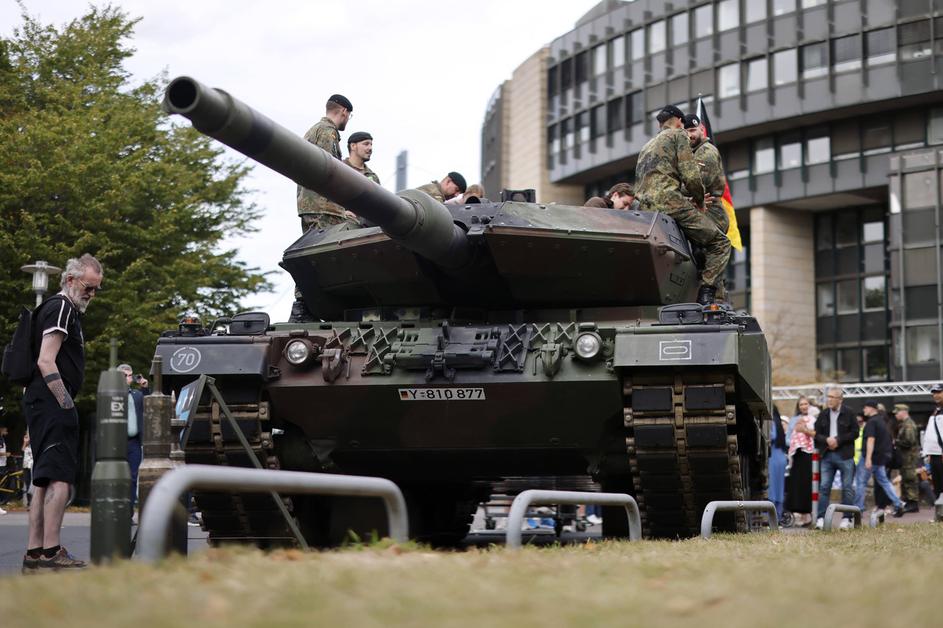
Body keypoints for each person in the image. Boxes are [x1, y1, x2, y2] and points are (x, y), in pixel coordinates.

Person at [22, 253, 103, 572]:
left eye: (96, 289)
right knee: (59, 479)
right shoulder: (62, 308)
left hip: (39, 402)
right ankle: (52, 549)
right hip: (53, 401)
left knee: (41, 478)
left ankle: (35, 551)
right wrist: (66, 403)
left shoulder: (53, 307)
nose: (91, 294)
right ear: (70, 280)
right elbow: (45, 360)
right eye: (88, 287)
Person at [634, 105, 730, 305]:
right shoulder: (678, 136)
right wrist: (700, 201)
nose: (686, 130)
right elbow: (691, 177)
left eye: (692, 129)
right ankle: (706, 292)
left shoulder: (647, 146)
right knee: (720, 244)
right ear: (678, 121)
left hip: (645, 210)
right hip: (672, 204)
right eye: (684, 125)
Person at [291, 94, 355, 323]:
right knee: (321, 259)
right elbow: (329, 172)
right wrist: (341, 207)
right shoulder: (328, 133)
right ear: (344, 112)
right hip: (324, 206)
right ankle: (303, 308)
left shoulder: (312, 130)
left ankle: (305, 308)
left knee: (310, 256)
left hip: (309, 203)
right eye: (349, 116)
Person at [813, 385, 859, 530]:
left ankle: (847, 519)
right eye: (828, 397)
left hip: (845, 455)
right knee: (824, 487)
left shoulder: (849, 413)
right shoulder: (823, 414)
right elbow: (816, 434)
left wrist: (838, 440)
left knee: (847, 488)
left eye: (832, 397)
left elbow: (855, 433)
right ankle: (821, 519)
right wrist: (826, 440)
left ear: (840, 399)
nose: (829, 400)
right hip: (827, 455)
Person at [855, 400, 905, 517]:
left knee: (860, 483)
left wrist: (868, 458)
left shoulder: (871, 422)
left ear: (872, 408)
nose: (864, 410)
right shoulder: (882, 421)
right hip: (880, 459)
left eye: (866, 408)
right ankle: (898, 503)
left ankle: (858, 509)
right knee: (885, 482)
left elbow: (871, 440)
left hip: (871, 458)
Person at [682, 114, 729, 234]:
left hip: (711, 216)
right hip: (700, 213)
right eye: (685, 132)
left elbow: (695, 183)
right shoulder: (691, 153)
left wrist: (669, 188)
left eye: (692, 130)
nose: (689, 135)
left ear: (702, 129)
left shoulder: (706, 152)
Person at [117, 363, 149, 513]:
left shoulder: (137, 395)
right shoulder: (112, 394)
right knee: (118, 477)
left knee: (132, 477)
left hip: (134, 442)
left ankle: (128, 512)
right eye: (124, 375)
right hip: (116, 442)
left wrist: (144, 387)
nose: (127, 378)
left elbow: (150, 405)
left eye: (129, 375)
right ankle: (118, 510)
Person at [785, 396, 816, 527]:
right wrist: (796, 442)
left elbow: (817, 434)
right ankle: (798, 513)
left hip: (809, 455)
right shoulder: (793, 420)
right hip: (797, 456)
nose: (803, 406)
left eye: (806, 404)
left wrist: (805, 431)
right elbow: (787, 438)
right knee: (797, 485)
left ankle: (809, 514)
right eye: (801, 404)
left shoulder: (814, 419)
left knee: (808, 484)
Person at [893, 403, 920, 513]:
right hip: (905, 457)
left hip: (909, 457)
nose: (896, 415)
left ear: (904, 412)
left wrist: (896, 442)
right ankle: (909, 502)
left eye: (897, 412)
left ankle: (913, 503)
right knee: (906, 479)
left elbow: (909, 441)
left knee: (910, 479)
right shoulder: (904, 424)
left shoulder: (908, 425)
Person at [921, 382, 943, 500]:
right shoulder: (936, 411)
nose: (936, 395)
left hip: (941, 454)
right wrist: (928, 452)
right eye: (934, 393)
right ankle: (940, 515)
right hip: (934, 455)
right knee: (938, 486)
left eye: (939, 392)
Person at [768, 406, 788, 521]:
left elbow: (772, 436)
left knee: (772, 487)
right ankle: (778, 515)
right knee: (780, 487)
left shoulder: (771, 422)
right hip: (781, 457)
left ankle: (771, 516)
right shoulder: (779, 423)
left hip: (773, 458)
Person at [0, 426, 8, 515]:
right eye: (5, 430)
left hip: (2, 464)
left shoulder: (2, 439)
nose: (7, 432)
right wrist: (5, 454)